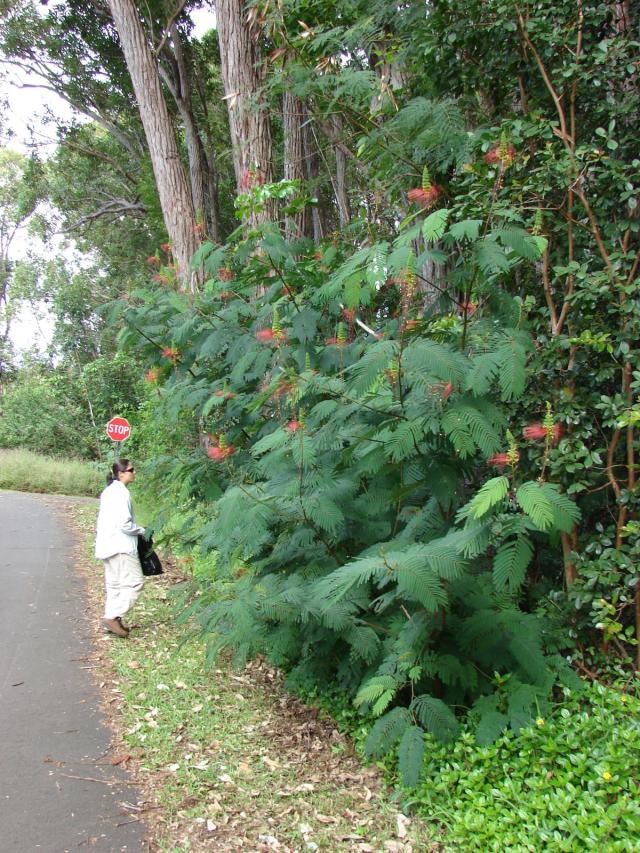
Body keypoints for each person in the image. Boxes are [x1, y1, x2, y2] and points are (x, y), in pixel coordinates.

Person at [95, 459, 145, 638]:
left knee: (115, 585)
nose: (134, 473)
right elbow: (125, 524)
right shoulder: (121, 493)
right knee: (135, 582)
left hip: (106, 544)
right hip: (121, 546)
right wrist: (142, 530)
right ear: (121, 474)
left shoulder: (109, 491)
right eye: (131, 470)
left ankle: (113, 620)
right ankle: (113, 617)